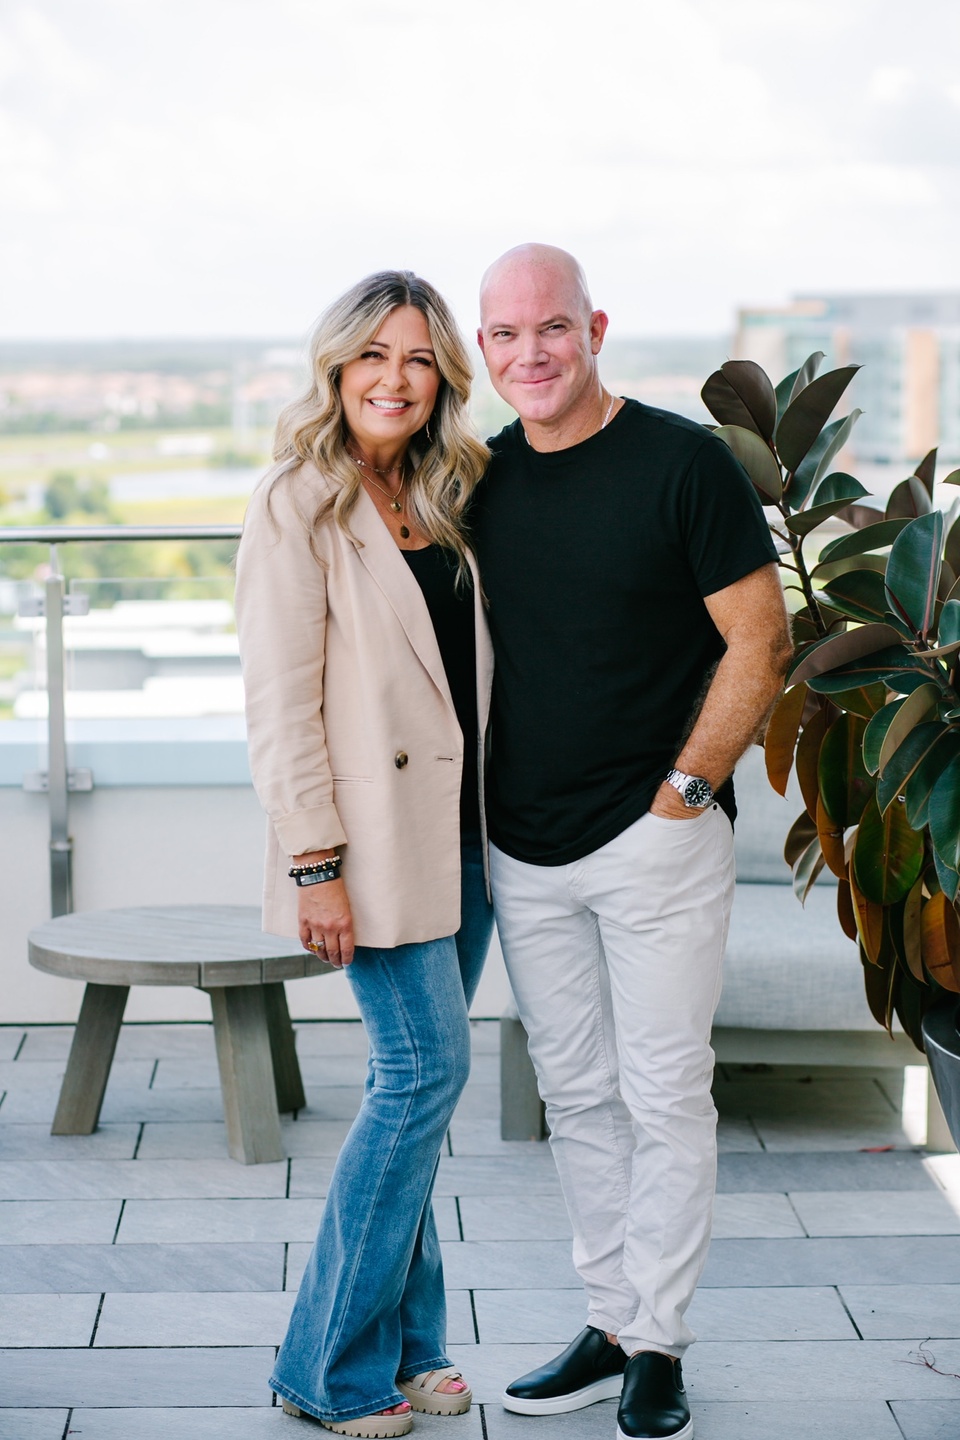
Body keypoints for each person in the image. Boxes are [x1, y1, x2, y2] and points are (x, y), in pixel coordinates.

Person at [471, 244, 792, 1440]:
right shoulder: (481, 480)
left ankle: (659, 1342)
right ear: (484, 350)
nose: (532, 353)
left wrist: (685, 792)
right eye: (506, 335)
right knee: (579, 1096)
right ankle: (609, 1321)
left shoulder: (682, 464)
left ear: (595, 329)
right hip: (523, 845)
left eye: (552, 327)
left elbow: (760, 639)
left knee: (664, 1094)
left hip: (656, 839)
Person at [235, 270, 493, 1439]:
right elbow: (280, 705)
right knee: (421, 1076)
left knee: (422, 1096)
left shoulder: (450, 491)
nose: (396, 378)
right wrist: (314, 863)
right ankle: (325, 1364)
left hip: (469, 832)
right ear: (337, 368)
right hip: (373, 842)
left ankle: (414, 1343)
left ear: (443, 375)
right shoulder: (298, 500)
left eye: (419, 357)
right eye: (375, 356)